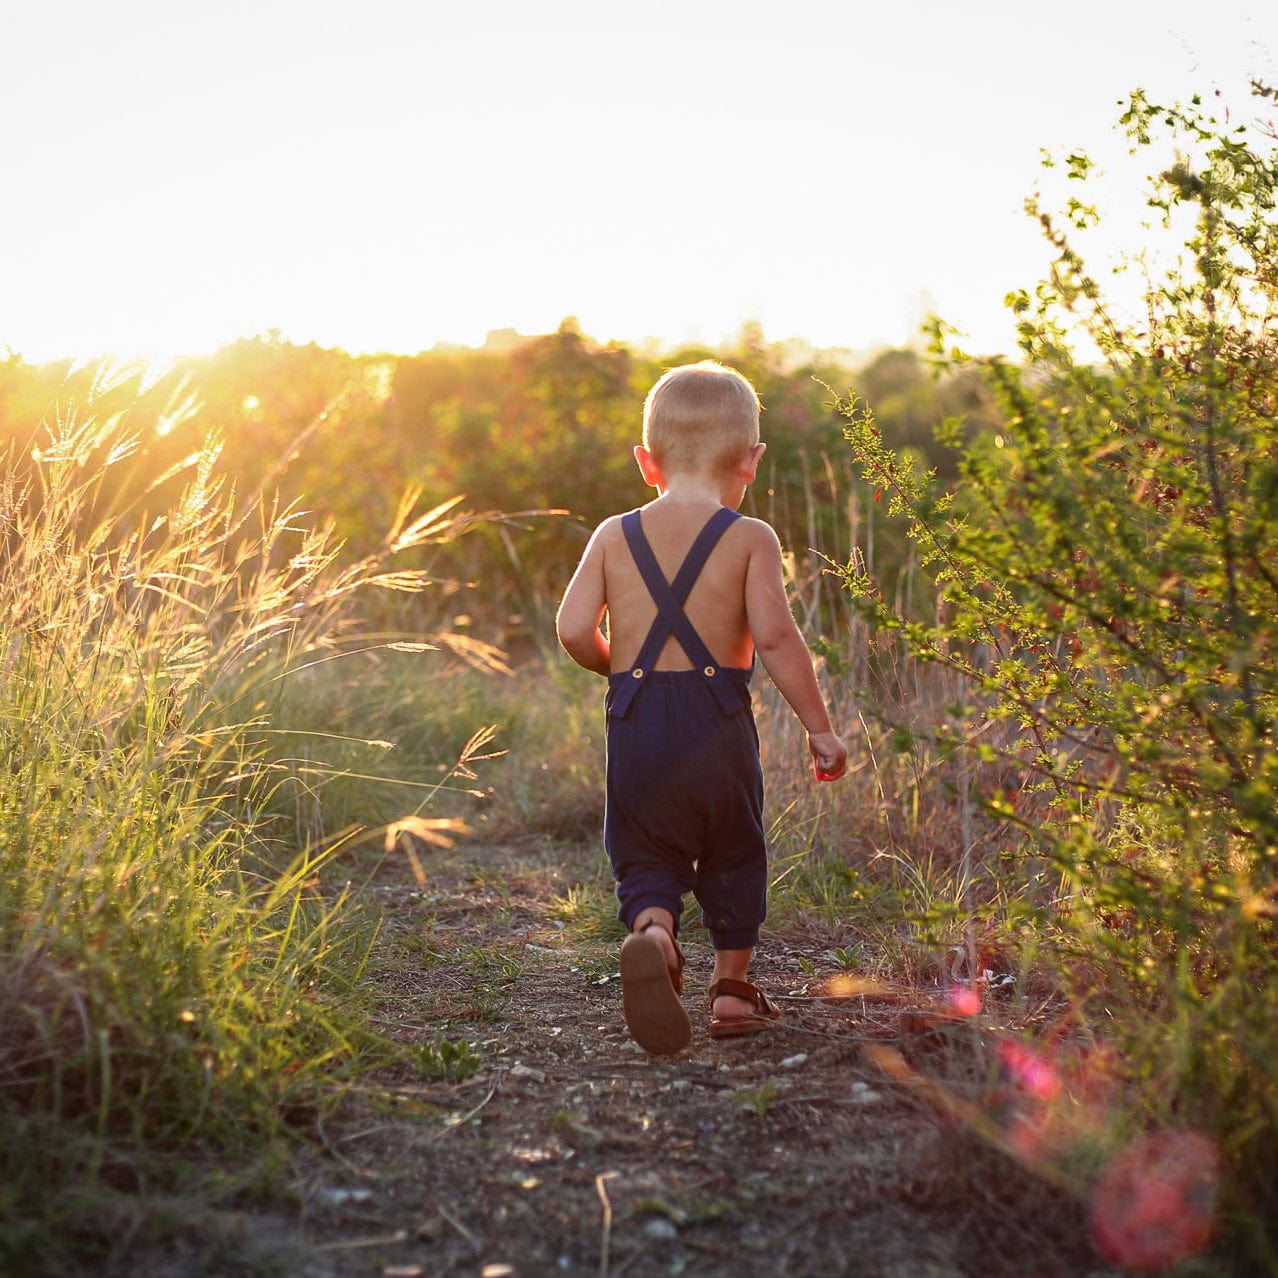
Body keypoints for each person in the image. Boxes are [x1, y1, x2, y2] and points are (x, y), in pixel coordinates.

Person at [556, 360, 848, 1055]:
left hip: (639, 723)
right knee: (733, 852)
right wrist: (820, 728)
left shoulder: (612, 534)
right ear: (752, 461)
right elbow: (776, 638)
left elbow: (571, 628)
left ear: (644, 461)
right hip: (717, 725)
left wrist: (618, 670)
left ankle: (654, 934)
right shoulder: (751, 538)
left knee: (645, 854)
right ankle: (731, 991)